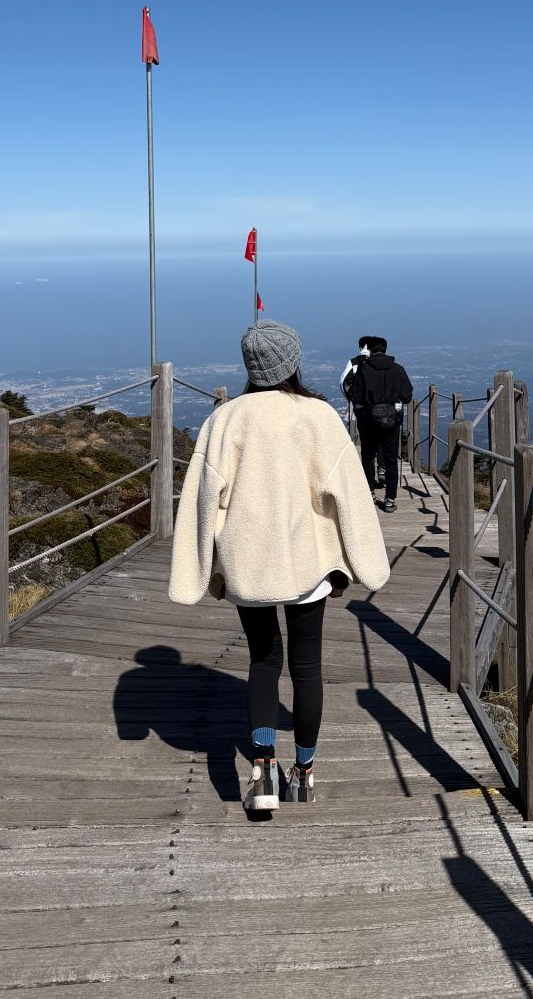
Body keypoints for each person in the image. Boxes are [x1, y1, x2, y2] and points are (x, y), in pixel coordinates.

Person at [169, 320, 390, 811]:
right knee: (306, 666)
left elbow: (203, 500)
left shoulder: (225, 419)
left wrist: (201, 568)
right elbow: (349, 497)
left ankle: (262, 768)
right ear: (293, 362)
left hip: (249, 567)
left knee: (263, 661)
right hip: (309, 567)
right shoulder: (317, 416)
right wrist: (363, 564)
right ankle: (304, 772)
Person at [342, 335, 414, 512]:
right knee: (390, 460)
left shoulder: (364, 370)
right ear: (386, 350)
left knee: (368, 456)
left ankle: (370, 493)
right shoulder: (398, 370)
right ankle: (390, 499)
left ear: (371, 351)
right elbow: (407, 396)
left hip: (368, 420)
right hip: (392, 421)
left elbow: (355, 395)